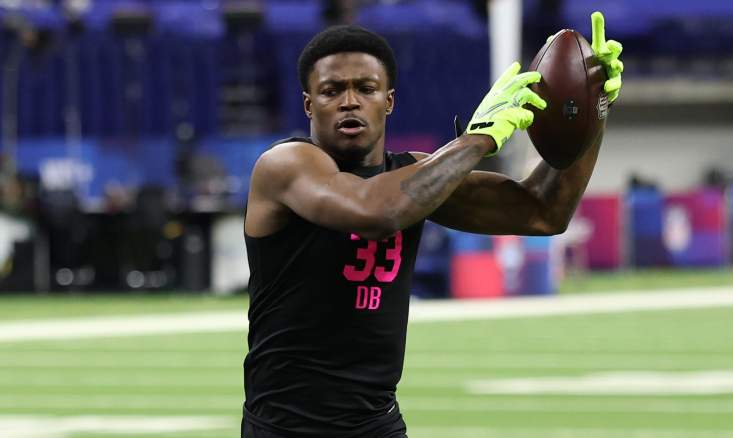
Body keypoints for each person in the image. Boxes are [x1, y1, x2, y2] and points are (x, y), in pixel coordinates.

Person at [242, 12, 623, 438]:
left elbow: (543, 210)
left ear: (388, 101)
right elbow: (374, 210)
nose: (349, 101)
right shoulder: (285, 165)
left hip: (376, 424)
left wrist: (592, 110)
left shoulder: (416, 175)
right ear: (309, 105)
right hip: (285, 427)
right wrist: (477, 139)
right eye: (332, 91)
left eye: (365, 88)